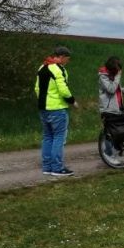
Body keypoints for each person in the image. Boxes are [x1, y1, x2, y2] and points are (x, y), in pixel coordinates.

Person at [35, 46, 77, 176]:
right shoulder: (58, 69)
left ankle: (47, 167)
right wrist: (72, 101)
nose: (67, 61)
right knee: (59, 138)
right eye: (67, 59)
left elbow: (36, 88)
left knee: (47, 137)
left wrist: (44, 101)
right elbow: (63, 89)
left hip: (43, 109)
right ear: (62, 57)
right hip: (57, 109)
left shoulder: (42, 67)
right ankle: (57, 168)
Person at [98, 56, 124, 164]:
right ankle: (108, 154)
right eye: (118, 69)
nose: (119, 71)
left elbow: (117, 89)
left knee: (117, 132)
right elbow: (111, 89)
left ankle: (111, 150)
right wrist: (118, 76)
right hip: (109, 109)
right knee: (110, 133)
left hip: (117, 108)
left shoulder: (113, 76)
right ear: (113, 68)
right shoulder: (104, 77)